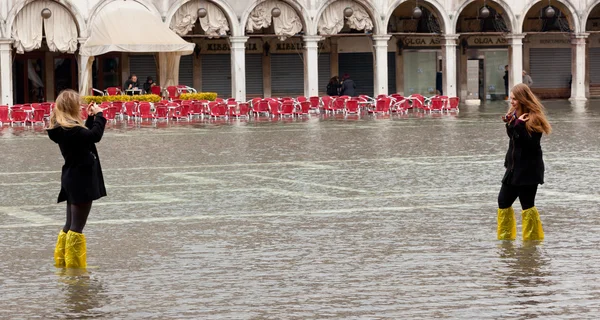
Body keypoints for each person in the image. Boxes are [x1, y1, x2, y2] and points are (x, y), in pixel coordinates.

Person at [47, 89, 107, 269]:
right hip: (82, 180)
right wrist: (100, 115)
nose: (81, 106)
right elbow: (95, 136)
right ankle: (75, 270)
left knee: (69, 225)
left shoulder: (62, 129)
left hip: (71, 178)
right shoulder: (73, 130)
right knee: (77, 228)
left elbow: (85, 137)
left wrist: (90, 118)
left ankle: (62, 262)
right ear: (71, 107)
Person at [497, 83, 551, 241]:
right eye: (511, 98)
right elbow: (514, 138)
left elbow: (530, 144)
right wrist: (510, 123)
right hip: (513, 168)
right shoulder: (514, 115)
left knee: (527, 205)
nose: (511, 102)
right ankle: (506, 240)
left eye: (514, 99)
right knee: (503, 202)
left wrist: (519, 125)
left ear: (522, 99)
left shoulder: (534, 119)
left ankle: (532, 242)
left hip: (528, 171)